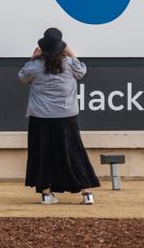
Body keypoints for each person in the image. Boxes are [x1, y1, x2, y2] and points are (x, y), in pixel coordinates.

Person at [18, 27, 100, 205]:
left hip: (40, 118)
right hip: (66, 117)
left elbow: (22, 77)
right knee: (74, 153)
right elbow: (82, 71)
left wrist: (33, 58)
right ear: (61, 47)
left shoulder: (34, 66)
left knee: (42, 155)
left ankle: (46, 194)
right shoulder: (70, 64)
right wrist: (70, 51)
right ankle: (87, 193)